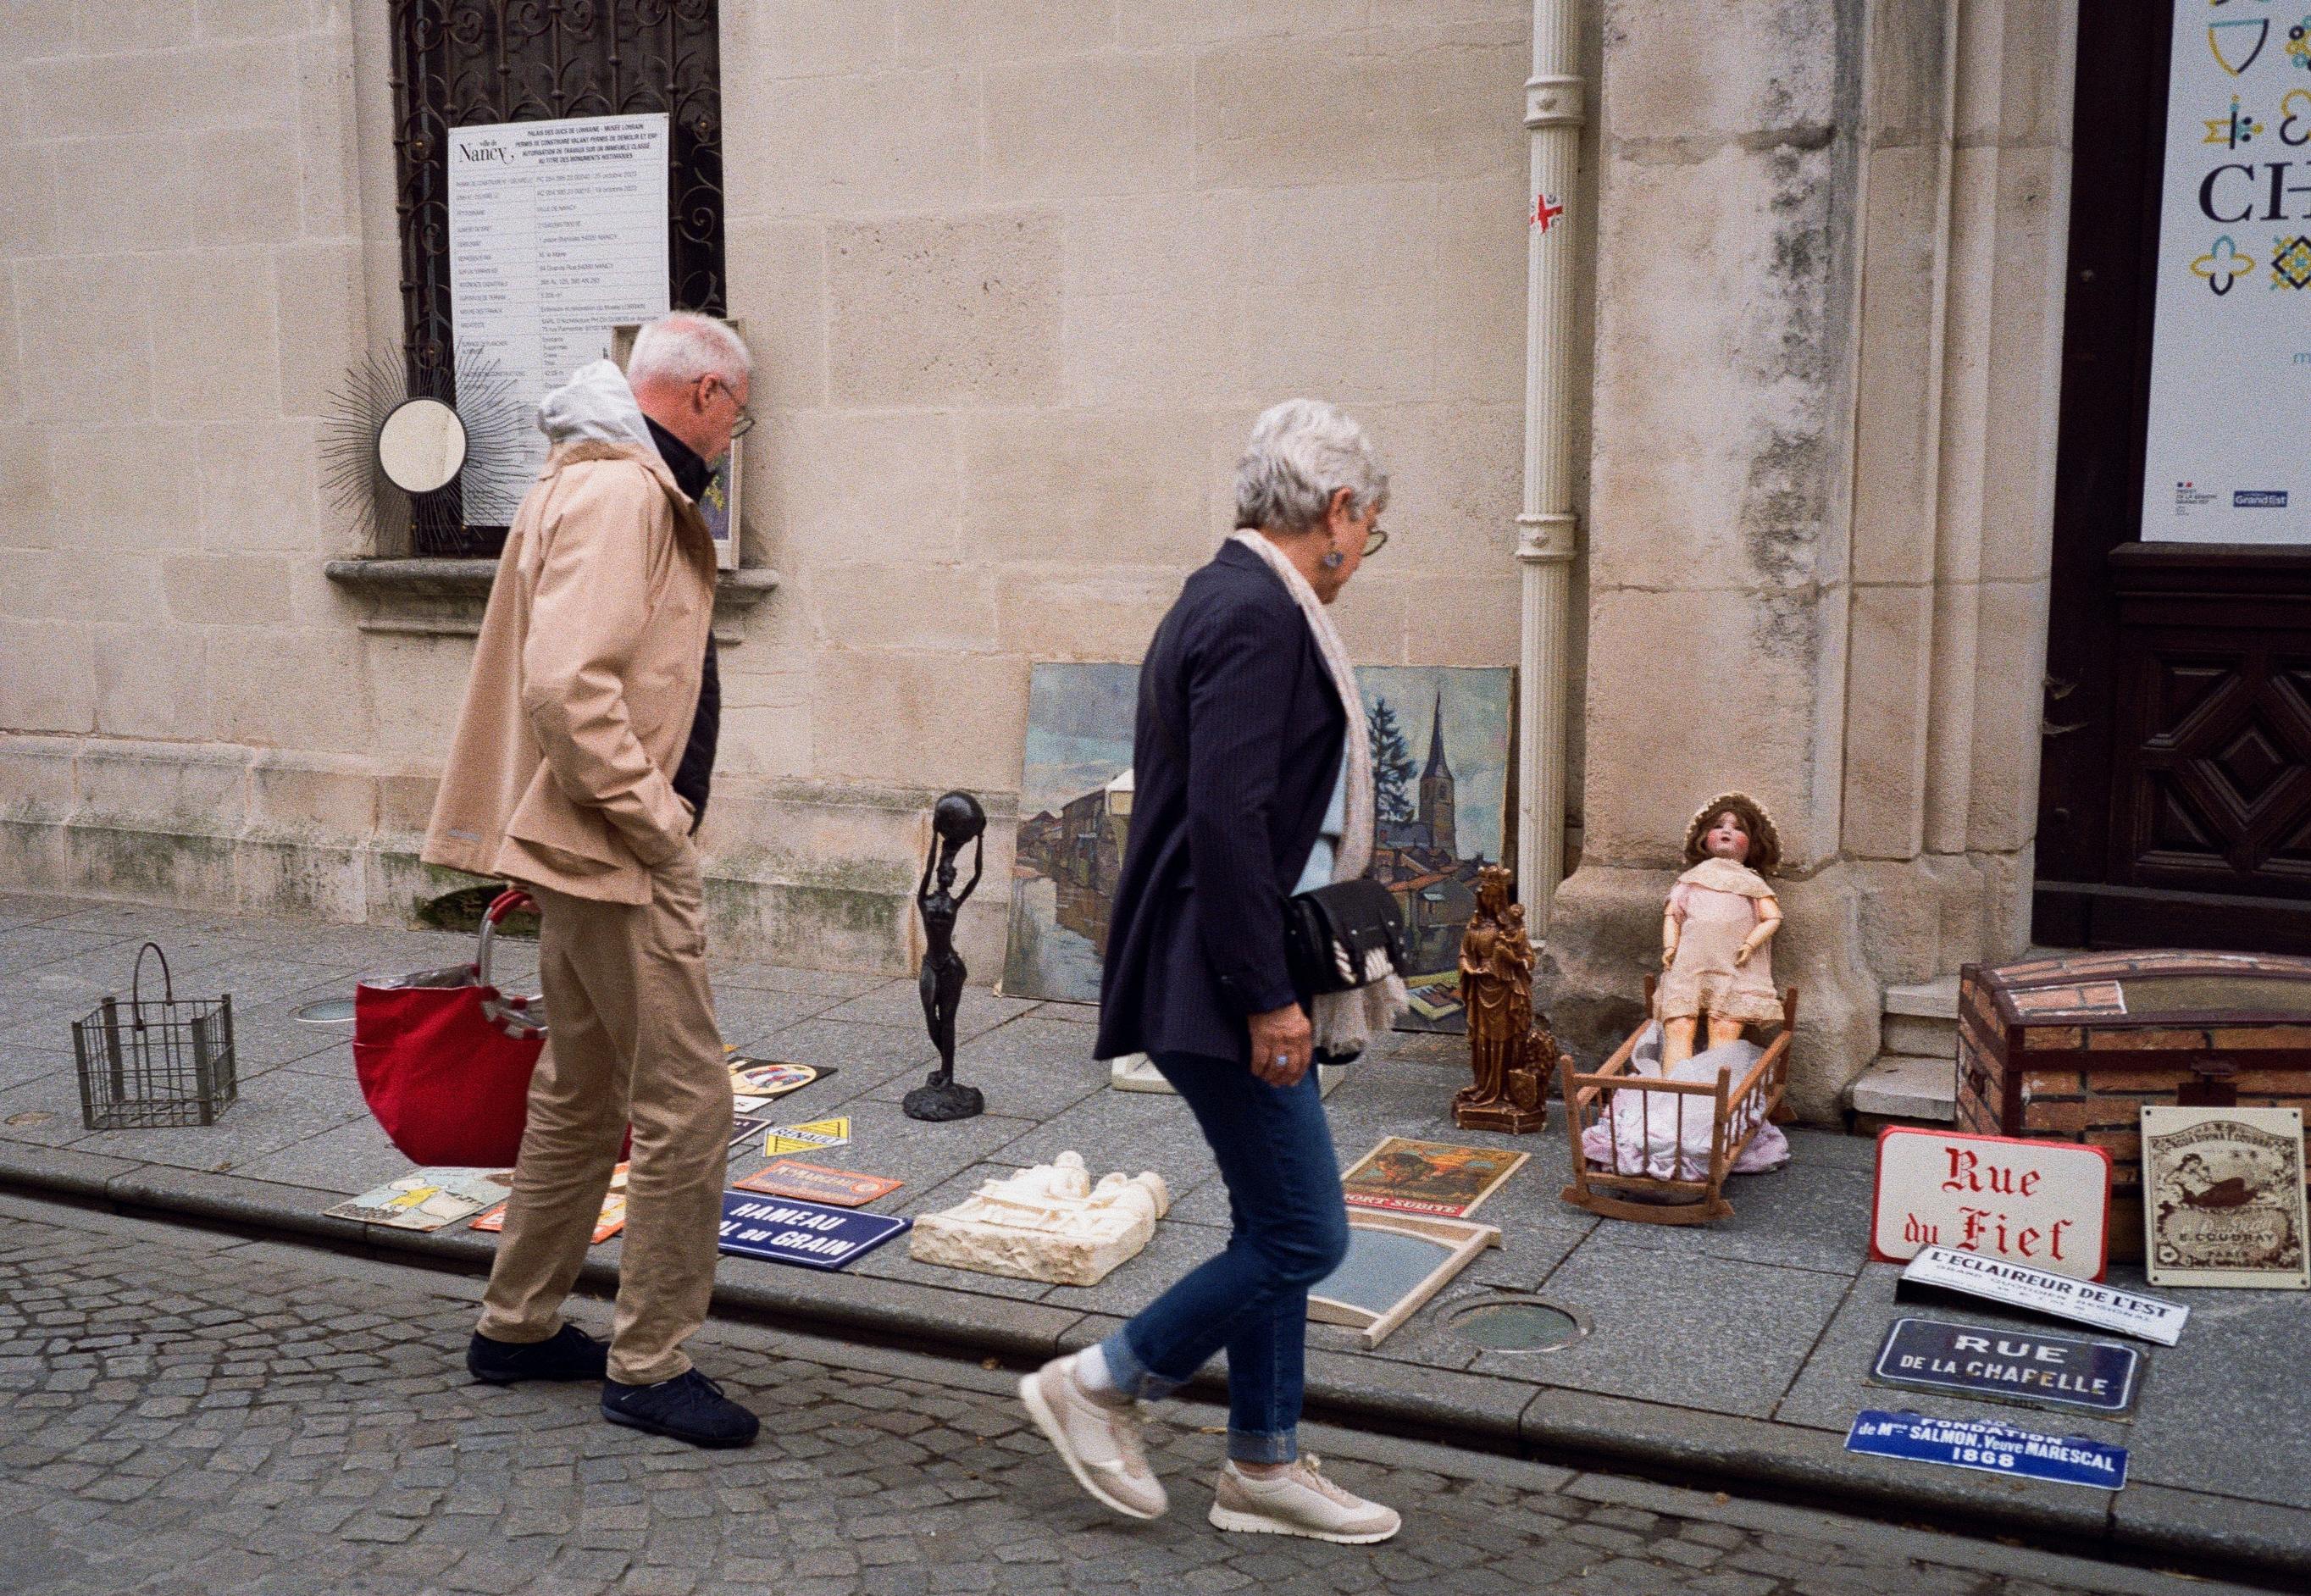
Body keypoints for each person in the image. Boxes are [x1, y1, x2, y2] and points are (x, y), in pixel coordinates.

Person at [1017, 399, 1405, 1543]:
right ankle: (1101, 1384)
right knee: (1304, 1236)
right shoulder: (1255, 615)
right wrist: (1270, 999)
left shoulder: (1230, 595)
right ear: (1336, 513)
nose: (1361, 559)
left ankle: (1264, 1465)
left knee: (1271, 1217)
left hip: (1222, 967)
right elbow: (1232, 826)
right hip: (1223, 979)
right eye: (1368, 533)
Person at [422, 313, 760, 1449]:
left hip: (582, 845)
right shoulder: (623, 492)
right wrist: (658, 822)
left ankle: (515, 1325)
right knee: (688, 1102)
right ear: (706, 393)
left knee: (581, 1087)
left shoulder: (597, 477)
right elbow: (571, 688)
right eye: (738, 414)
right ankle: (650, 1362)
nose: (733, 436)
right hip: (613, 852)